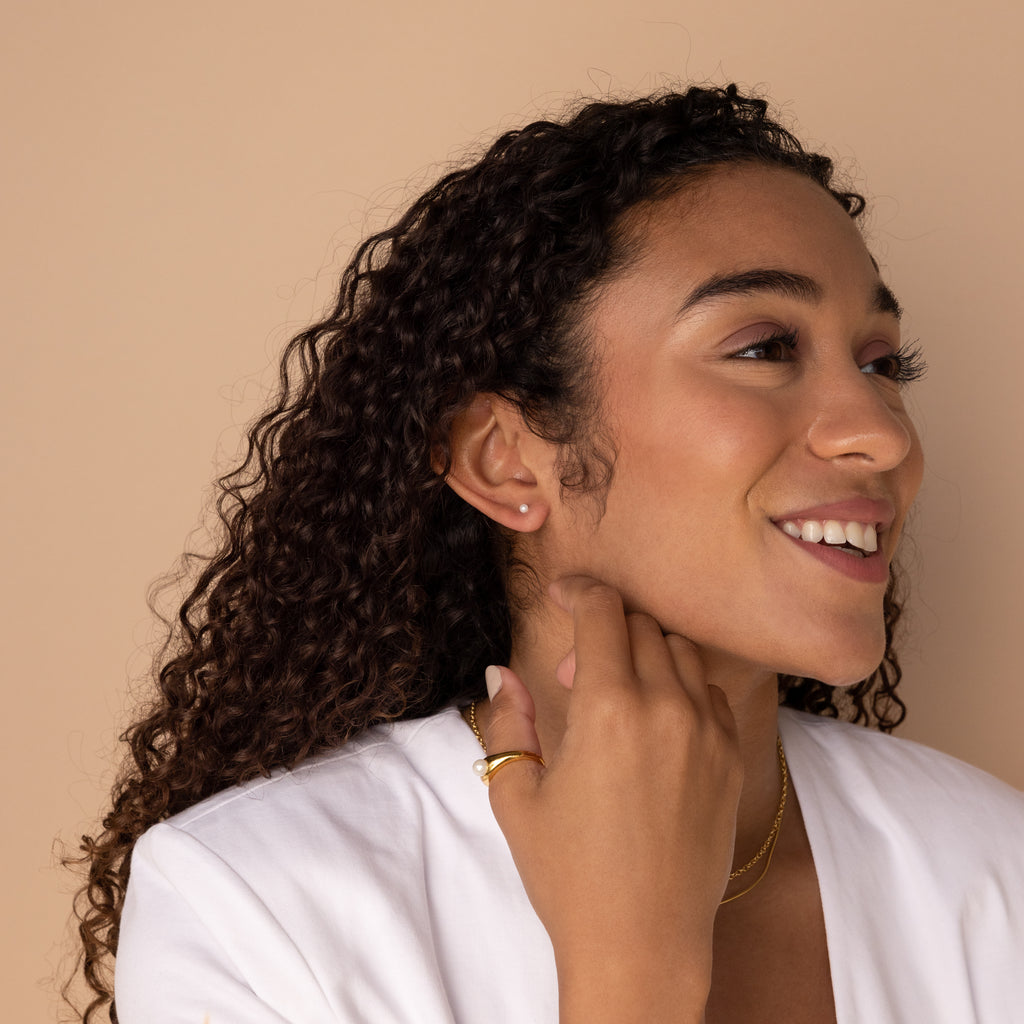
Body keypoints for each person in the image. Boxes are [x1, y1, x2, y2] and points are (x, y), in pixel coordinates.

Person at [70, 85, 1024, 1023]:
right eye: (764, 347)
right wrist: (632, 972)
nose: (883, 435)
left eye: (883, 364)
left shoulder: (993, 865)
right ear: (505, 459)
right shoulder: (254, 908)